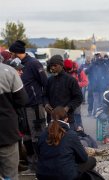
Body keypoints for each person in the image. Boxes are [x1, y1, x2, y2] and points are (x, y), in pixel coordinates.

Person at [9, 40, 48, 174]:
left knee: (38, 137)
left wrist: (43, 101)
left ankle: (42, 166)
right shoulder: (17, 66)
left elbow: (45, 83)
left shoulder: (33, 64)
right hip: (22, 108)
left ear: (16, 52)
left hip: (35, 107)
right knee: (26, 137)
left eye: (12, 53)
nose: (10, 55)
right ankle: (32, 166)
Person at [36, 107, 96, 180]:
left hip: (42, 174)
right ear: (66, 119)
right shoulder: (71, 134)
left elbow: (39, 155)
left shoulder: (42, 134)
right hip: (65, 175)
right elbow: (84, 158)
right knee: (92, 160)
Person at [0, 60, 28, 180]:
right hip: (6, 133)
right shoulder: (8, 71)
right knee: (10, 174)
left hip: (6, 133)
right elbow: (22, 100)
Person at [44, 55, 83, 130]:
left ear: (61, 65)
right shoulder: (49, 80)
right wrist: (46, 104)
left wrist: (68, 107)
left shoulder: (71, 80)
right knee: (52, 140)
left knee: (66, 140)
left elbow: (79, 98)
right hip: (52, 119)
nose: (52, 68)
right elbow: (44, 95)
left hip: (67, 119)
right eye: (51, 66)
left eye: (55, 65)